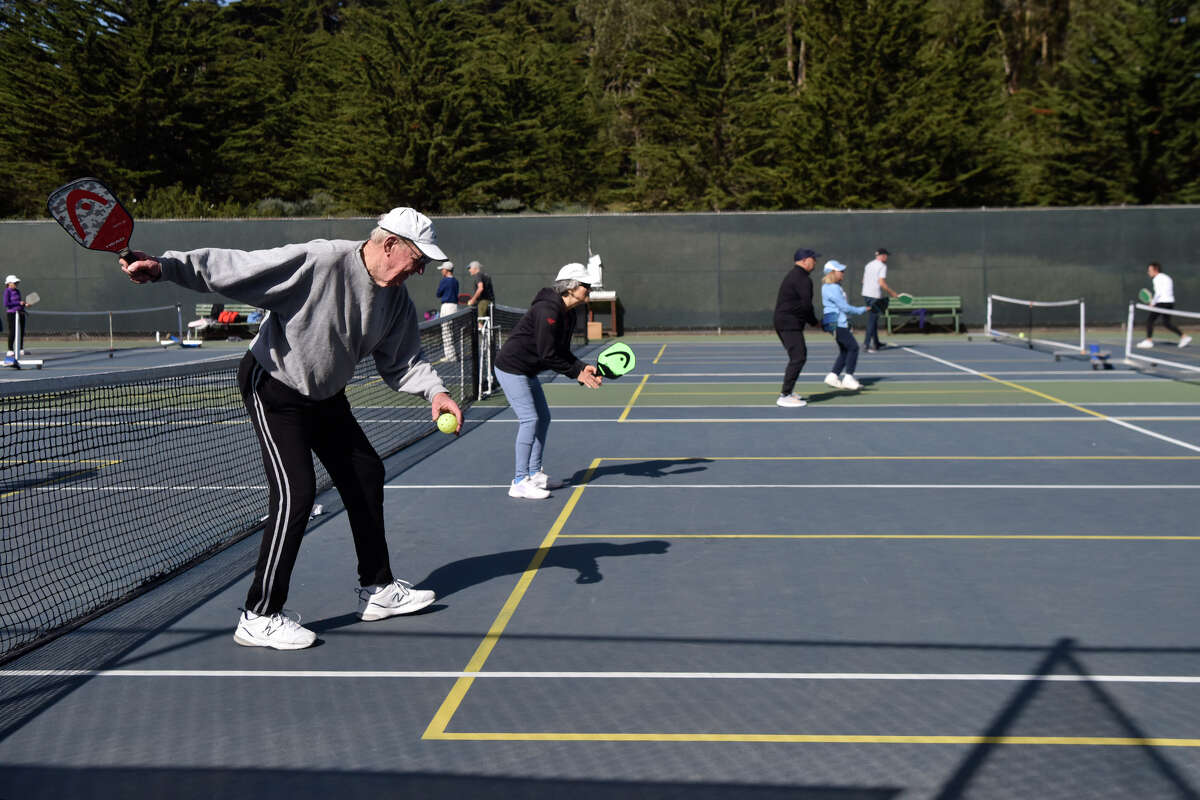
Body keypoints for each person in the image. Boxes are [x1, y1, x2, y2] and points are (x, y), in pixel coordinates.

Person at [118, 207, 463, 651]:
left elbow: (404, 362)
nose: (420, 270)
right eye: (418, 258)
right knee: (296, 493)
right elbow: (238, 267)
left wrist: (434, 392)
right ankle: (259, 615)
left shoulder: (395, 300)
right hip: (276, 387)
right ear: (390, 244)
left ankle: (377, 590)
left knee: (365, 474)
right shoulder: (322, 261)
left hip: (325, 395)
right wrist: (166, 267)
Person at [493, 262, 603, 499]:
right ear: (571, 288)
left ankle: (534, 474)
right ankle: (519, 480)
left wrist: (582, 367)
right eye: (586, 286)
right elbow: (548, 353)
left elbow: (561, 350)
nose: (589, 290)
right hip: (512, 368)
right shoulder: (547, 310)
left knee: (543, 418)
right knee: (529, 419)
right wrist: (577, 373)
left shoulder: (569, 314)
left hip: (528, 370)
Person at [773, 248, 822, 408]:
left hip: (786, 322)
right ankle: (785, 395)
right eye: (813, 259)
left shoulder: (796, 275)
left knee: (798, 356)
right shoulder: (802, 279)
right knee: (798, 357)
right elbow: (806, 306)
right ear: (804, 260)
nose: (815, 261)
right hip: (788, 323)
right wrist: (815, 323)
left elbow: (802, 306)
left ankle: (789, 392)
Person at [820, 260, 869, 391]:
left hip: (834, 321)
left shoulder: (831, 286)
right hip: (835, 321)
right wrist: (862, 309)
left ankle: (832, 376)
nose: (843, 273)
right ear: (832, 272)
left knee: (845, 349)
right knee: (853, 347)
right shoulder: (833, 288)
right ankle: (848, 378)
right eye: (840, 271)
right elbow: (844, 307)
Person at [1137, 261, 1191, 349]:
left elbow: (1159, 293)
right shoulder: (1167, 277)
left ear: (1156, 270)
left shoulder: (1157, 279)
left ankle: (1148, 341)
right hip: (1170, 302)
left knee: (1150, 320)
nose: (1148, 272)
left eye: (1150, 270)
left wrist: (1153, 303)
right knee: (1166, 323)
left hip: (1162, 302)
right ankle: (1184, 337)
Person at [860, 248, 899, 352]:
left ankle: (876, 343)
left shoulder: (868, 265)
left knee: (874, 319)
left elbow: (863, 280)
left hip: (866, 294)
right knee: (872, 320)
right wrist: (893, 293)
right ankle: (866, 344)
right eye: (886, 255)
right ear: (881, 256)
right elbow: (881, 282)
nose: (886, 257)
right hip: (874, 296)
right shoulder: (882, 266)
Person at [436, 261, 459, 359]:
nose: (442, 271)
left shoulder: (444, 281)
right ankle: (455, 354)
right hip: (455, 307)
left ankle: (450, 356)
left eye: (442, 269)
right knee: (454, 331)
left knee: (446, 332)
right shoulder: (456, 281)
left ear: (447, 270)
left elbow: (438, 294)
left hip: (446, 307)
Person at [4, 275, 28, 362]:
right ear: (9, 283)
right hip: (12, 314)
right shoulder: (7, 291)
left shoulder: (17, 291)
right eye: (14, 283)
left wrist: (24, 304)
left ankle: (20, 349)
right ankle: (10, 350)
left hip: (20, 313)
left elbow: (19, 303)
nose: (16, 284)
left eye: (16, 283)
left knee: (21, 331)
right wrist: (19, 303)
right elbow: (6, 304)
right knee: (13, 331)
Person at [466, 260, 495, 325]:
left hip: (483, 303)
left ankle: (481, 334)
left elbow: (480, 288)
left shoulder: (478, 275)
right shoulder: (486, 276)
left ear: (475, 268)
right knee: (488, 324)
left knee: (480, 324)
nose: (469, 270)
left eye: (470, 268)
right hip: (490, 302)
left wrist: (473, 300)